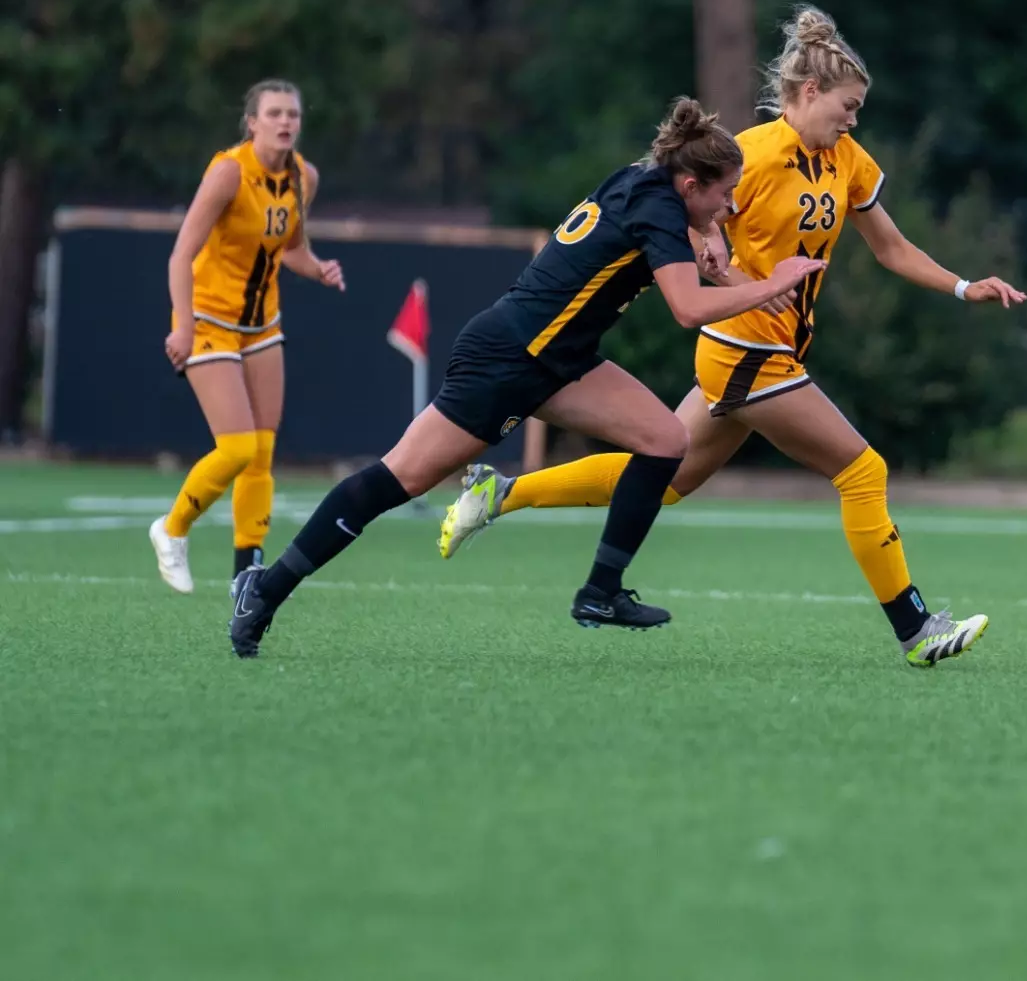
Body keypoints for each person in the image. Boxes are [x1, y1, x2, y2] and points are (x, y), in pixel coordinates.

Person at [436, 6, 1025, 667]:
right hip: (746, 346)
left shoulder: (846, 159)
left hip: (767, 349)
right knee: (864, 470)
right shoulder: (755, 153)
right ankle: (917, 631)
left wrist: (962, 285)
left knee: (665, 480)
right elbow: (686, 213)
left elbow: (889, 247)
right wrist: (714, 253)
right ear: (808, 94)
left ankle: (500, 492)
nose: (854, 119)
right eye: (848, 105)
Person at [228, 99, 824, 658]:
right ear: (690, 185)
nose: (731, 207)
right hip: (509, 357)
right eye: (725, 195)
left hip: (558, 358)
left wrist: (719, 255)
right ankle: (266, 588)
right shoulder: (662, 210)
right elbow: (686, 310)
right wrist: (775, 280)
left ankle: (601, 591)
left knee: (666, 440)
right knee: (398, 479)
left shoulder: (642, 181)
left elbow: (677, 245)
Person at [151, 80, 344, 595]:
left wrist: (319, 268)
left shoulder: (305, 176)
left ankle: (246, 575)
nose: (286, 123)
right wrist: (183, 325)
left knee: (261, 453)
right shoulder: (229, 172)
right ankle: (171, 530)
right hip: (211, 319)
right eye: (275, 113)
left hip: (263, 326)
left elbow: (291, 250)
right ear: (252, 122)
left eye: (294, 114)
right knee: (235, 448)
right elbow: (180, 255)